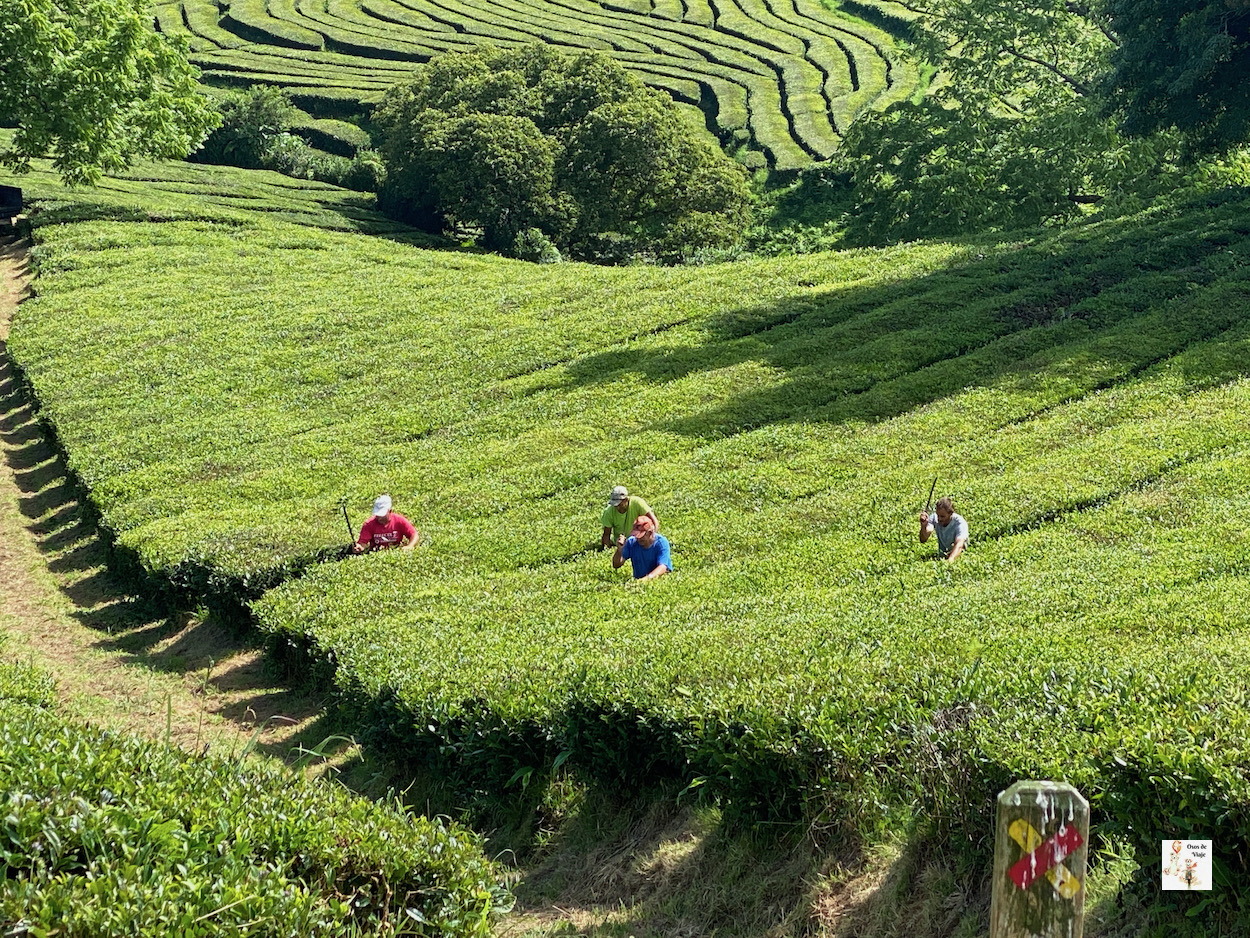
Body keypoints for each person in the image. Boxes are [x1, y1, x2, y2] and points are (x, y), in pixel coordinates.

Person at [612, 515, 671, 582]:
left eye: (641, 535)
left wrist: (645, 580)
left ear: (650, 533)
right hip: (639, 582)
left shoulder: (661, 543)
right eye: (636, 535)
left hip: (658, 582)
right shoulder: (632, 542)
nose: (638, 538)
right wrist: (619, 550)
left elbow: (662, 567)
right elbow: (616, 565)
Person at [354, 494, 420, 553]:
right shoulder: (368, 524)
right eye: (377, 514)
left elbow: (414, 534)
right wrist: (359, 547)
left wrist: (410, 546)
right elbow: (362, 543)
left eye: (382, 514)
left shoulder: (399, 520)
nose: (379, 517)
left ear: (390, 511)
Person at [600, 485, 658, 550]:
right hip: (621, 544)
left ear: (626, 500)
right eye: (615, 505)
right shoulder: (609, 512)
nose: (618, 508)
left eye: (620, 505)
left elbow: (653, 521)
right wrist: (607, 549)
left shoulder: (637, 503)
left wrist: (652, 539)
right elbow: (606, 534)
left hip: (639, 540)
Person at [919, 496, 968, 561]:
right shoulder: (934, 518)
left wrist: (950, 560)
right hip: (942, 557)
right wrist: (923, 526)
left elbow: (960, 544)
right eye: (938, 515)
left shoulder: (960, 523)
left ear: (950, 513)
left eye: (942, 516)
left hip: (959, 556)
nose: (939, 519)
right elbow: (923, 539)